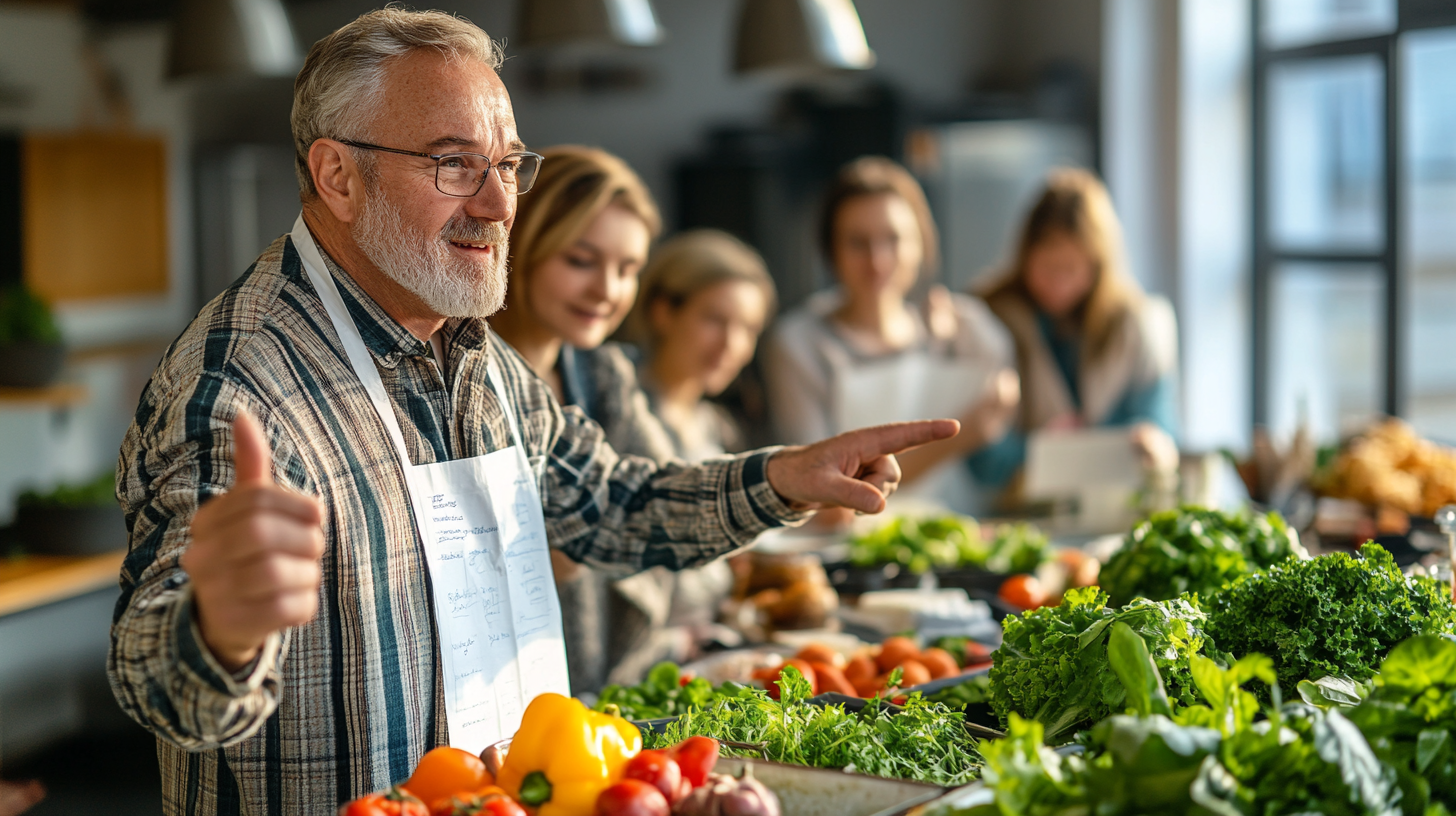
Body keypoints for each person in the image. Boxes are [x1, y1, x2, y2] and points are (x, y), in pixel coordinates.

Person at [105, 10, 955, 814]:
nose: (501, 205)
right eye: (454, 164)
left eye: (508, 164)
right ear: (337, 175)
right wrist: (218, 631)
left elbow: (607, 504)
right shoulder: (239, 387)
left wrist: (782, 478)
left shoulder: (475, 353)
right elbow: (150, 678)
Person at [487, 144, 696, 692]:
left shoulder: (602, 373)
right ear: (523, 245)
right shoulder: (464, 379)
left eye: (627, 269)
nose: (607, 291)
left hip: (601, 686)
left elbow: (671, 489)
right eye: (581, 261)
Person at [763, 156, 1018, 517]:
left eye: (894, 239)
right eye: (857, 242)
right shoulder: (801, 344)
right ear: (830, 250)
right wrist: (960, 436)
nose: (877, 261)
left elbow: (1007, 394)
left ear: (922, 244)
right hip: (853, 549)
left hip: (961, 530)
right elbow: (822, 497)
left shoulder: (962, 327)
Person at [976, 167, 1179, 488]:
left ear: (1098, 266)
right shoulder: (991, 320)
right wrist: (1045, 453)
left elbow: (1159, 424)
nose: (1058, 285)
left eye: (1070, 269)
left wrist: (1151, 442)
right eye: (1046, 267)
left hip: (1111, 501)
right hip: (1019, 506)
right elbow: (982, 453)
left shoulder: (1133, 326)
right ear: (1024, 257)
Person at [625, 229, 777, 461]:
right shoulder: (613, 402)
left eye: (749, 329)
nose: (732, 344)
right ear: (662, 311)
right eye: (715, 319)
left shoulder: (721, 429)